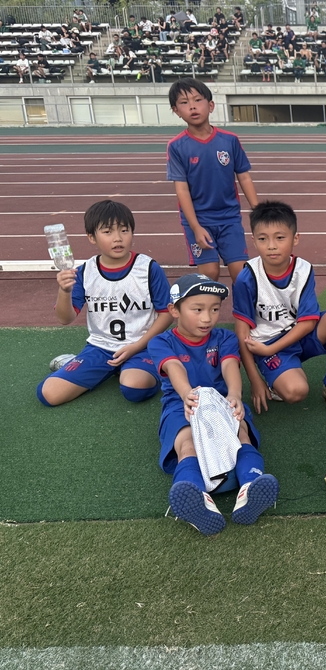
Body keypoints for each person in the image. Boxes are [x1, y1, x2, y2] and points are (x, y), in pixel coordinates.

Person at [149, 274, 279, 536]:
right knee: (187, 443)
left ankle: (250, 487)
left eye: (215, 309)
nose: (207, 318)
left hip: (221, 400)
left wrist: (235, 394)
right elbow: (174, 368)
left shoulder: (224, 337)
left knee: (241, 433)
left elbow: (230, 365)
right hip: (181, 402)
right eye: (197, 310)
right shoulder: (161, 341)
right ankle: (197, 498)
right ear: (174, 310)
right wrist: (187, 394)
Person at [38, 200, 172, 407]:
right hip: (100, 348)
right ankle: (85, 363)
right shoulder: (84, 272)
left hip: (142, 345)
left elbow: (167, 313)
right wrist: (64, 291)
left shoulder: (148, 268)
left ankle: (138, 367)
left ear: (132, 232)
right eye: (108, 232)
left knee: (135, 388)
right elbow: (65, 318)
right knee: (49, 394)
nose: (118, 238)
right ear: (92, 237)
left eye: (124, 230)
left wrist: (137, 346)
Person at [232, 201, 326, 411]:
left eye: (279, 238)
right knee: (296, 391)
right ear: (254, 241)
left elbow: (308, 323)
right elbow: (242, 334)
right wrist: (255, 380)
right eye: (263, 239)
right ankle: (276, 379)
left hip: (296, 335)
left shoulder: (303, 270)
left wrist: (271, 348)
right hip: (266, 343)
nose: (271, 245)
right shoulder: (247, 277)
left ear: (295, 238)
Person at [167, 78, 259, 282]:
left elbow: (244, 176)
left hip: (229, 218)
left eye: (197, 100)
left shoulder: (229, 140)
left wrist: (258, 211)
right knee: (209, 272)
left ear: (210, 105)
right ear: (176, 110)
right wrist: (196, 227)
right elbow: (182, 190)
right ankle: (208, 305)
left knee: (241, 273)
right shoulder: (176, 146)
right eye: (184, 102)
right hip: (199, 219)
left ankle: (242, 305)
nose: (192, 106)